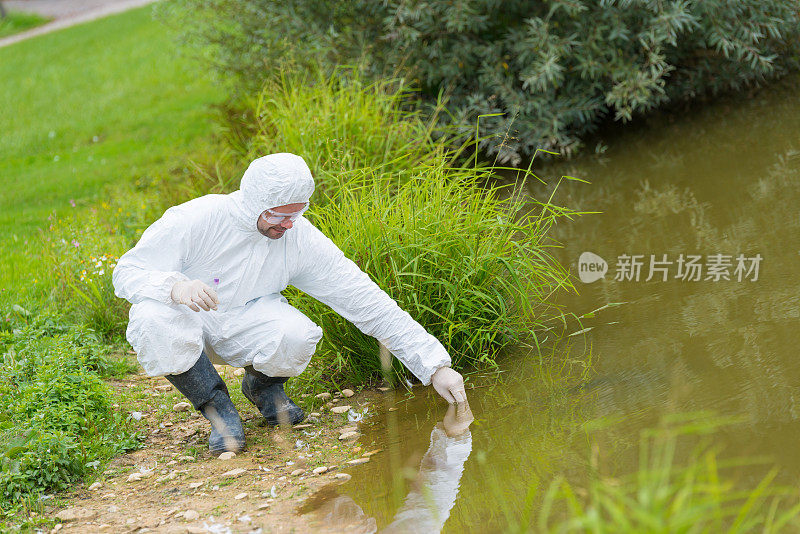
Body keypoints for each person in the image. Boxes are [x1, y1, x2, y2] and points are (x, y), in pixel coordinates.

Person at [112, 153, 468, 453]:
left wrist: (435, 366)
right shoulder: (196, 219)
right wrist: (175, 286)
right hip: (189, 320)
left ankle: (262, 387)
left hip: (246, 323)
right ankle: (218, 410)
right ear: (254, 202)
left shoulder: (299, 238)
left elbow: (366, 300)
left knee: (297, 333)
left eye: (295, 214)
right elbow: (127, 271)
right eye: (278, 215)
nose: (287, 224)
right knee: (151, 316)